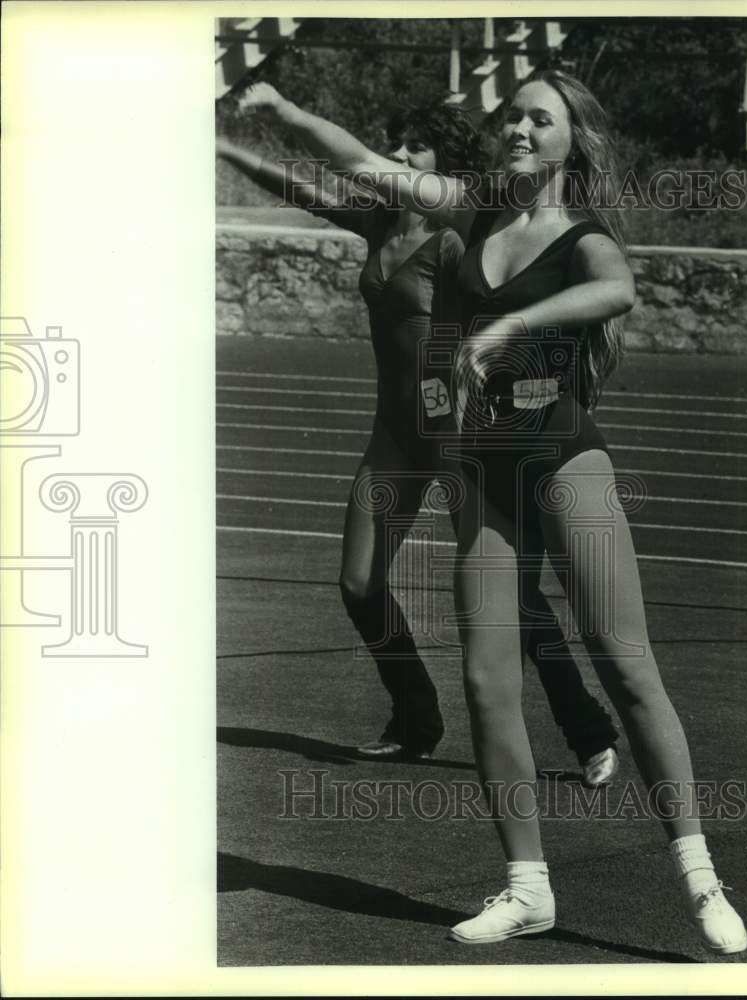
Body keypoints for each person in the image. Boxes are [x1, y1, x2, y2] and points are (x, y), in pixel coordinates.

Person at [231, 72, 747, 957]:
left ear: (567, 141)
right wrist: (281, 113)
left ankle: (699, 876)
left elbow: (614, 290)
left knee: (625, 668)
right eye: (510, 114)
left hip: (564, 464)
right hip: (483, 472)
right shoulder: (471, 211)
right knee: (484, 682)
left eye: (536, 119)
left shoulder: (578, 235)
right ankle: (526, 887)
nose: (516, 127)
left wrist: (507, 330)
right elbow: (359, 162)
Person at [218, 97, 620, 784]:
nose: (401, 157)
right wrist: (223, 148)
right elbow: (299, 185)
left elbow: (514, 293)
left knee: (513, 601)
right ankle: (415, 716)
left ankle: (587, 731)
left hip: (458, 434)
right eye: (395, 144)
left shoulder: (457, 236)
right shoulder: (379, 223)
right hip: (394, 436)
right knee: (358, 581)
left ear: (443, 164)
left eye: (416, 148)